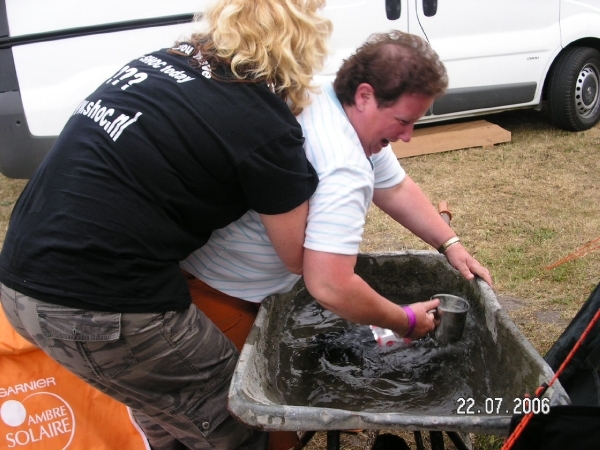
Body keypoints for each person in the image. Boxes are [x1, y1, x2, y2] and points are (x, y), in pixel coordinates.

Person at [0, 0, 332, 449]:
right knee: (238, 420)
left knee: (167, 414)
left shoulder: (155, 64)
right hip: (99, 307)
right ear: (302, 46)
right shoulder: (263, 126)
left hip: (20, 281)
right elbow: (297, 256)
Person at [182, 30, 493, 358]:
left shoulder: (322, 94)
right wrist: (405, 321)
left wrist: (449, 243)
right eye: (403, 121)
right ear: (364, 95)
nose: (408, 136)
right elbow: (330, 285)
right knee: (224, 398)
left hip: (207, 266)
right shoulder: (344, 165)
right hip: (221, 293)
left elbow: (395, 186)